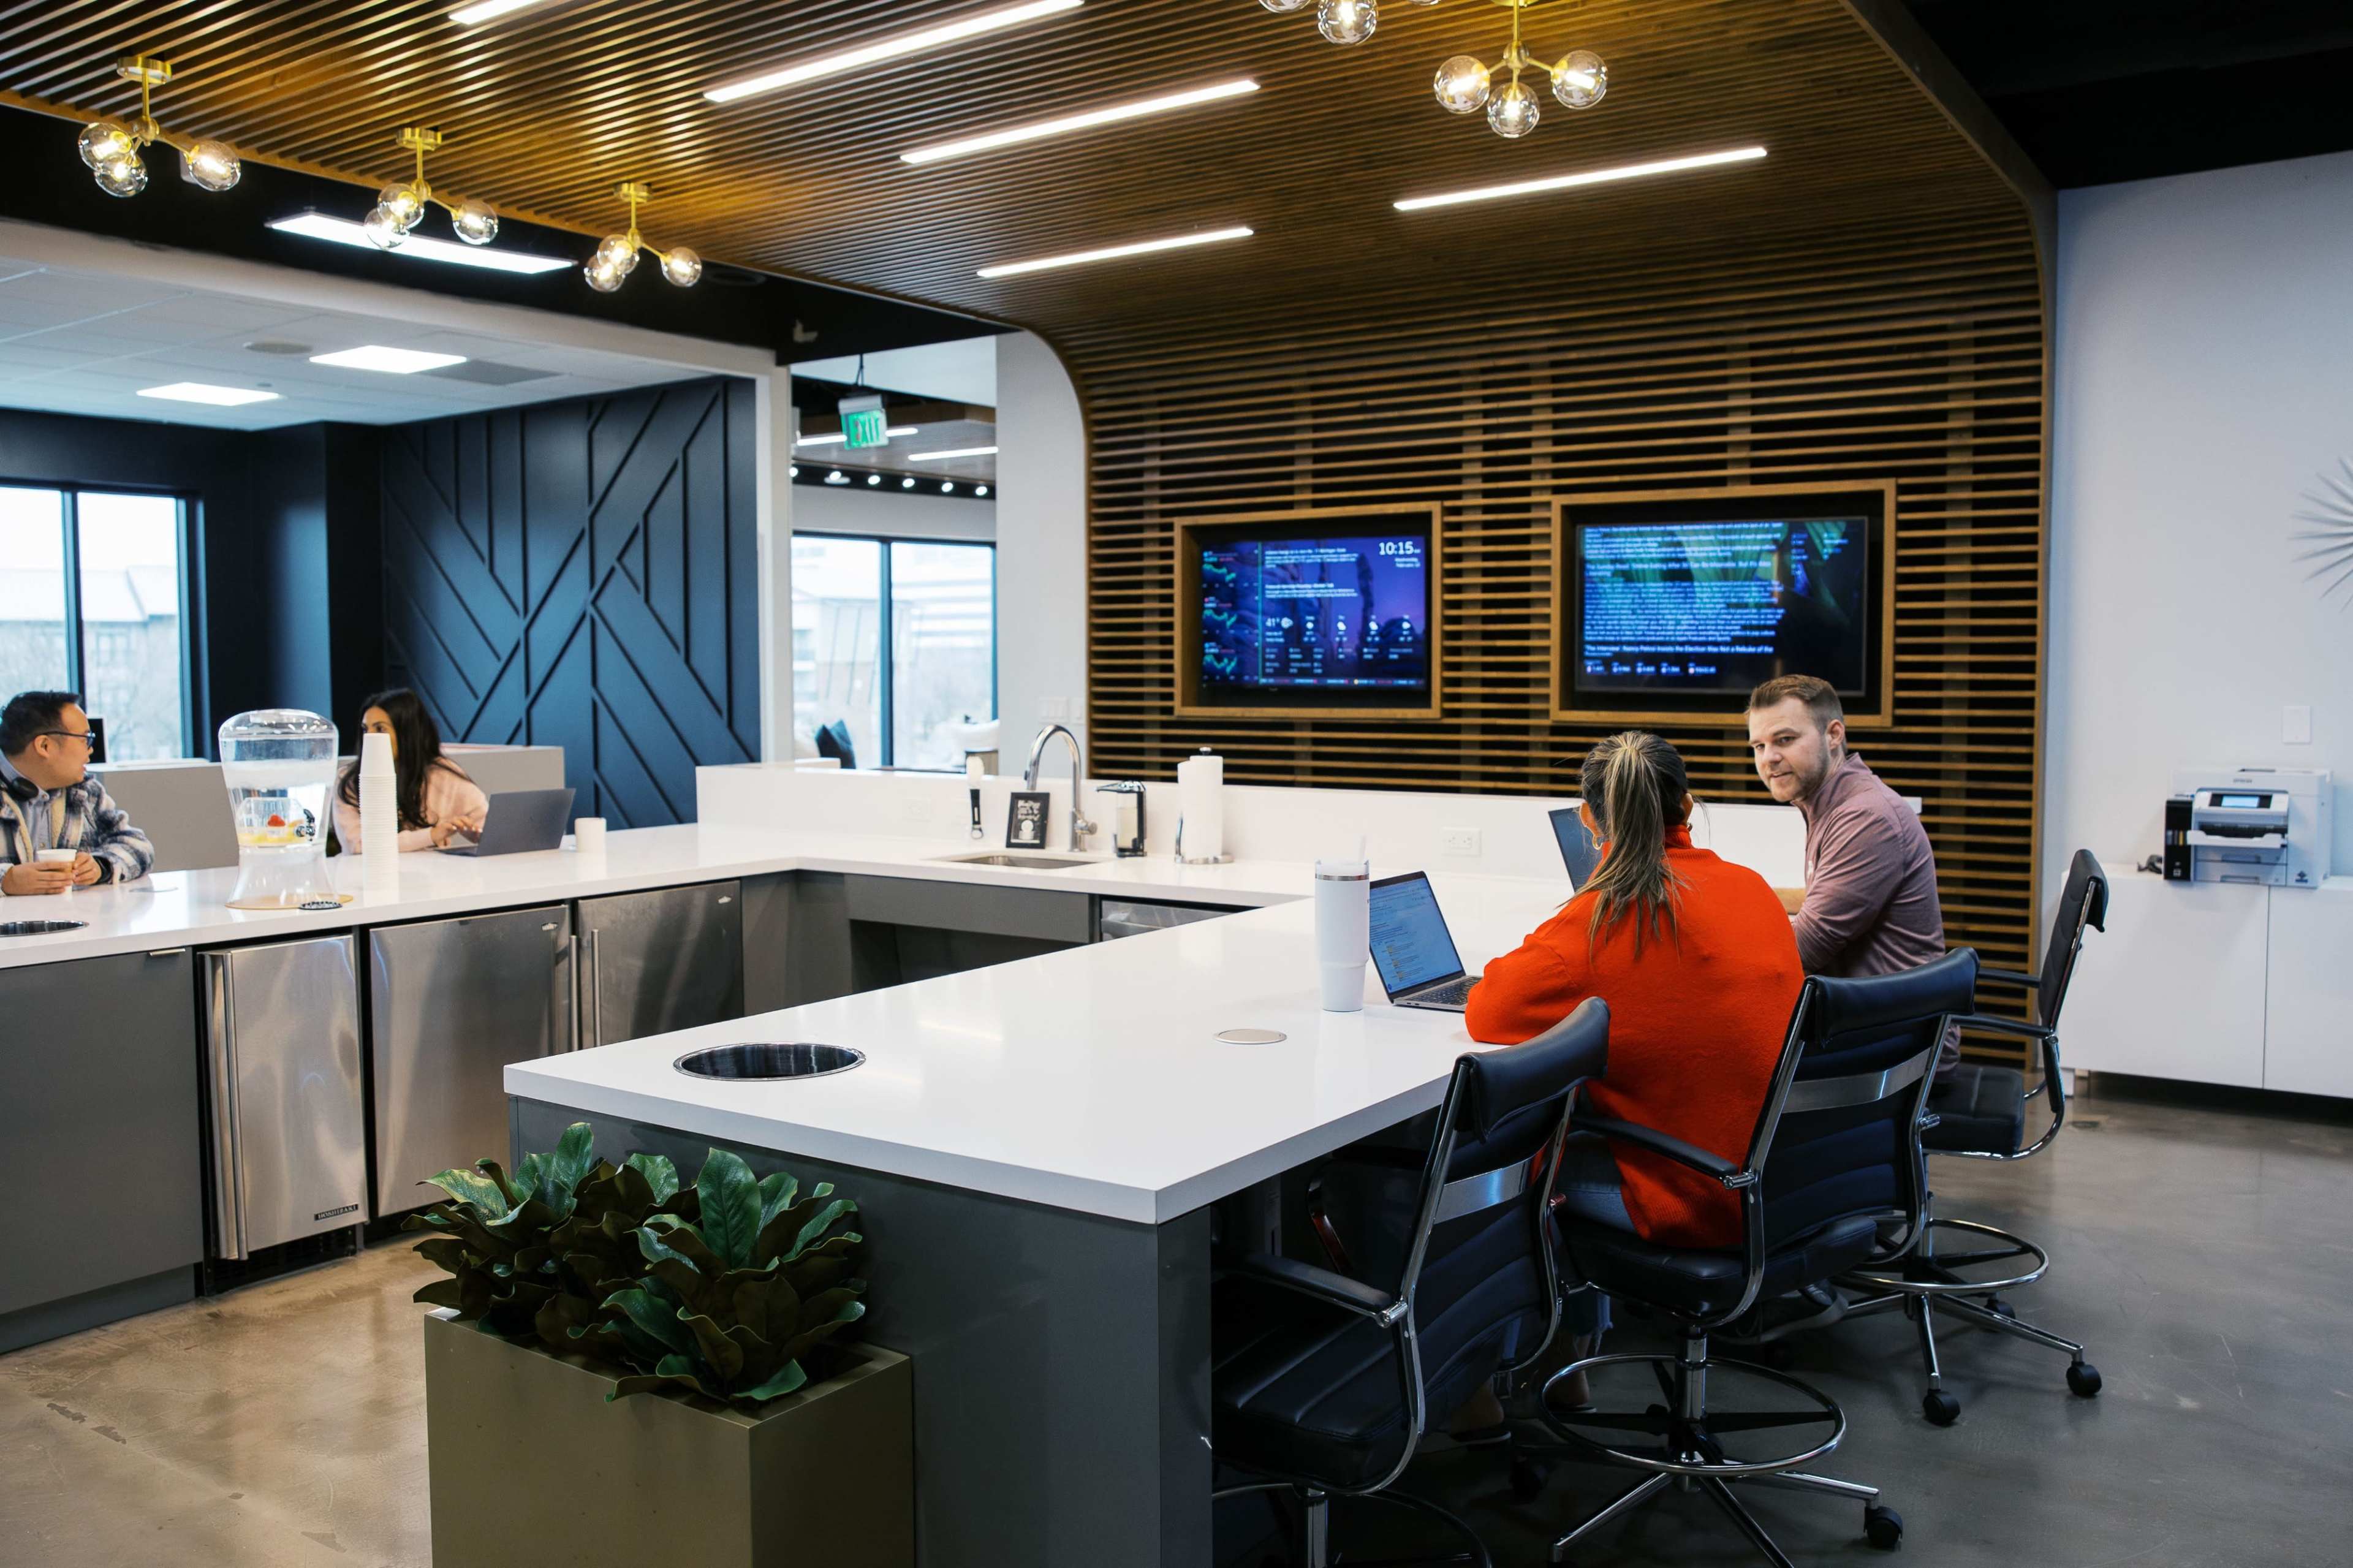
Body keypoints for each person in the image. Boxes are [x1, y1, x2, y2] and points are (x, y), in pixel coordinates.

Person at [1461, 730, 1804, 1412]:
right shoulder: (1752, 889)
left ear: (1590, 821)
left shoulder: (1601, 918)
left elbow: (1487, 1009)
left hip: (1697, 1196)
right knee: (1572, 1134)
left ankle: (1480, 1389)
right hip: (1784, 1176)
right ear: (1689, 806)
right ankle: (1564, 1369)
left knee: (1499, 1175)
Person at [1745, 673, 1954, 1074]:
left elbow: (1802, 951)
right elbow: (1821, 896)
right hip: (1876, 1030)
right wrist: (1739, 898)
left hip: (1898, 1053)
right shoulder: (1833, 802)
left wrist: (1711, 950)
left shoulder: (1866, 818)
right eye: (1759, 745)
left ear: (1834, 734)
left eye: (1785, 739)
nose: (1768, 758)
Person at [0, 690, 154, 895]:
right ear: (44, 746)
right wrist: (6, 880)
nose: (90, 750)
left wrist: (102, 866)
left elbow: (140, 846)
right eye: (85, 739)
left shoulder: (85, 792)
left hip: (73, 914)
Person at [332, 689, 487, 854]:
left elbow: (488, 826)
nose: (369, 737)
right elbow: (357, 846)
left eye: (380, 729)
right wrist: (431, 835)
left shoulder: (441, 774)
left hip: (432, 869)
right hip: (366, 870)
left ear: (406, 733)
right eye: (365, 729)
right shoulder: (348, 780)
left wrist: (473, 832)